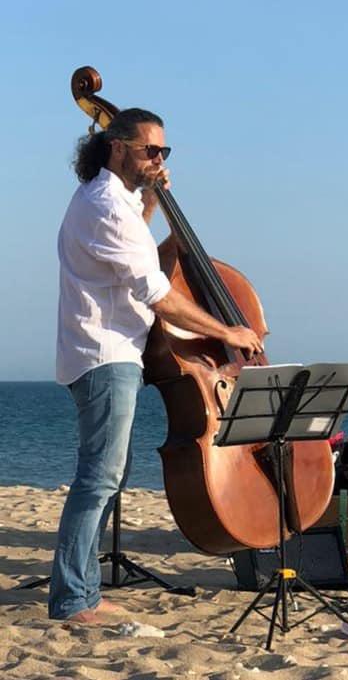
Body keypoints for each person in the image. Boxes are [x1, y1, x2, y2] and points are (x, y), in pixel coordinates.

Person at [49, 108, 263, 623]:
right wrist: (227, 332)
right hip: (105, 353)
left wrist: (150, 200)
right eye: (149, 150)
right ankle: (72, 598)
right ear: (117, 147)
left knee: (108, 475)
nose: (158, 159)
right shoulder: (104, 205)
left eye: (163, 151)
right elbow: (157, 294)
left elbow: (136, 252)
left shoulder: (116, 201)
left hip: (115, 351)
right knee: (99, 477)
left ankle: (85, 591)